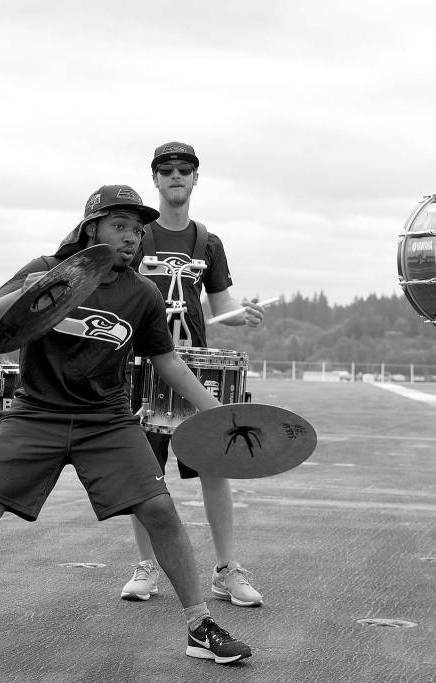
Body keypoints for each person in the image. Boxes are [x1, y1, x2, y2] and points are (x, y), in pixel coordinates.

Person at [0, 185, 252, 665]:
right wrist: (42, 286)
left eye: (137, 230)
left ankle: (199, 625)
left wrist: (219, 412)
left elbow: (168, 362)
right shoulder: (44, 268)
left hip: (106, 419)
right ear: (90, 228)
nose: (132, 237)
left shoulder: (141, 294)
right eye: (120, 226)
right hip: (35, 411)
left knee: (160, 510)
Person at [120, 141, 267, 607]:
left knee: (213, 466)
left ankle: (227, 570)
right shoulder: (137, 236)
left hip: (194, 367)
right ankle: (146, 568)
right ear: (156, 180)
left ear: (196, 179)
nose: (176, 176)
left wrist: (242, 315)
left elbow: (221, 306)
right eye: (167, 170)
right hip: (141, 366)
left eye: (185, 170)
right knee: (144, 472)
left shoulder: (208, 241)